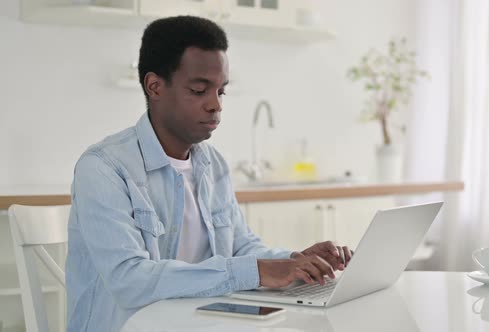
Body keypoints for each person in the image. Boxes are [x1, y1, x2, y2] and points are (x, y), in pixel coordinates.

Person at [65, 15, 352, 332]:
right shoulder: (104, 168)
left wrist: (295, 261)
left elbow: (241, 248)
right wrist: (257, 270)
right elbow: (130, 280)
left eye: (221, 91)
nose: (215, 105)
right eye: (199, 90)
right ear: (155, 86)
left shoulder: (212, 164)